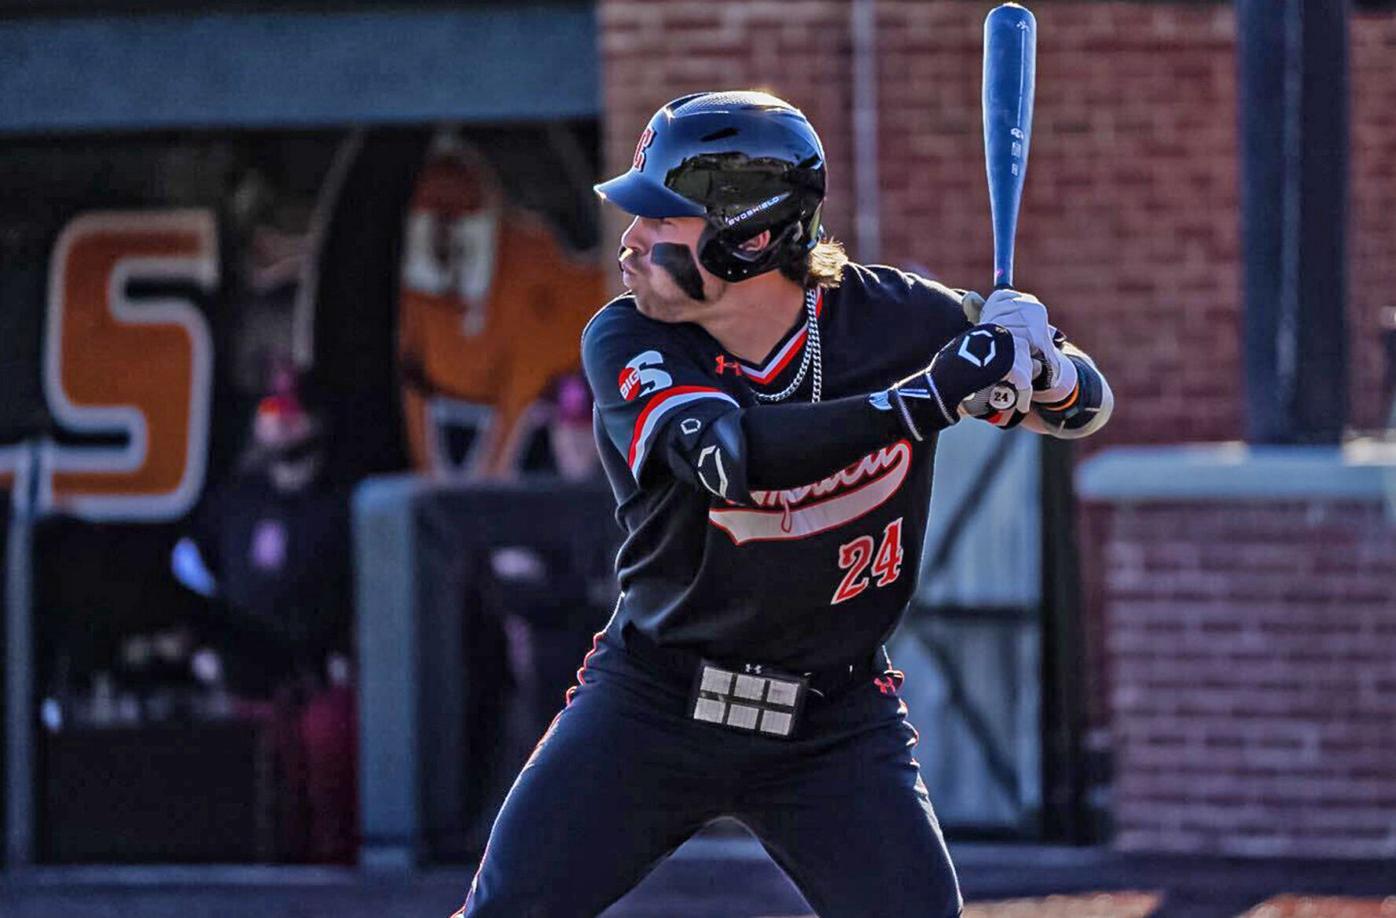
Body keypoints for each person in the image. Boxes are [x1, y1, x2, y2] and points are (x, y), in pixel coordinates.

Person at [454, 90, 1113, 918]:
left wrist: (1040, 362)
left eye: (661, 220)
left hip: (833, 723)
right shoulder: (628, 337)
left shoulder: (898, 320)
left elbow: (1086, 405)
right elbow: (728, 461)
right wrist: (931, 398)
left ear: (751, 234)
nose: (630, 240)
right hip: (654, 703)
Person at [172, 382, 357, 863]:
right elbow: (191, 573)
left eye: (293, 412)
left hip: (323, 680)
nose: (281, 421)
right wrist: (202, 649)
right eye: (271, 410)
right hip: (248, 680)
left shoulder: (345, 503)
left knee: (329, 769)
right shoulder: (233, 501)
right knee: (257, 799)